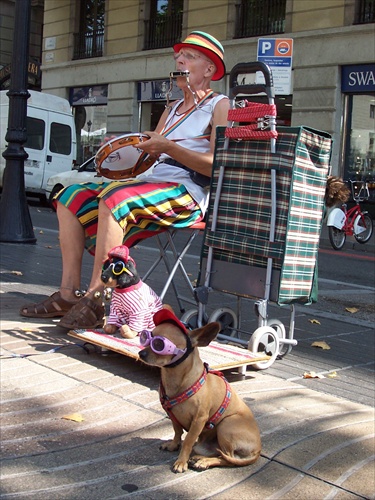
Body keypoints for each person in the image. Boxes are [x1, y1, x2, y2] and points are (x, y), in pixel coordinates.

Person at [20, 31, 229, 329]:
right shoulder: (170, 109)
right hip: (154, 184)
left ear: (209, 70)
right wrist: (127, 154)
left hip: (188, 192)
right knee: (69, 195)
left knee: (116, 198)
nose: (180, 60)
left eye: (189, 57)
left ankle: (97, 299)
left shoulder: (220, 104)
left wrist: (169, 147)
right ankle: (68, 294)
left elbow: (216, 165)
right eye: (178, 57)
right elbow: (150, 159)